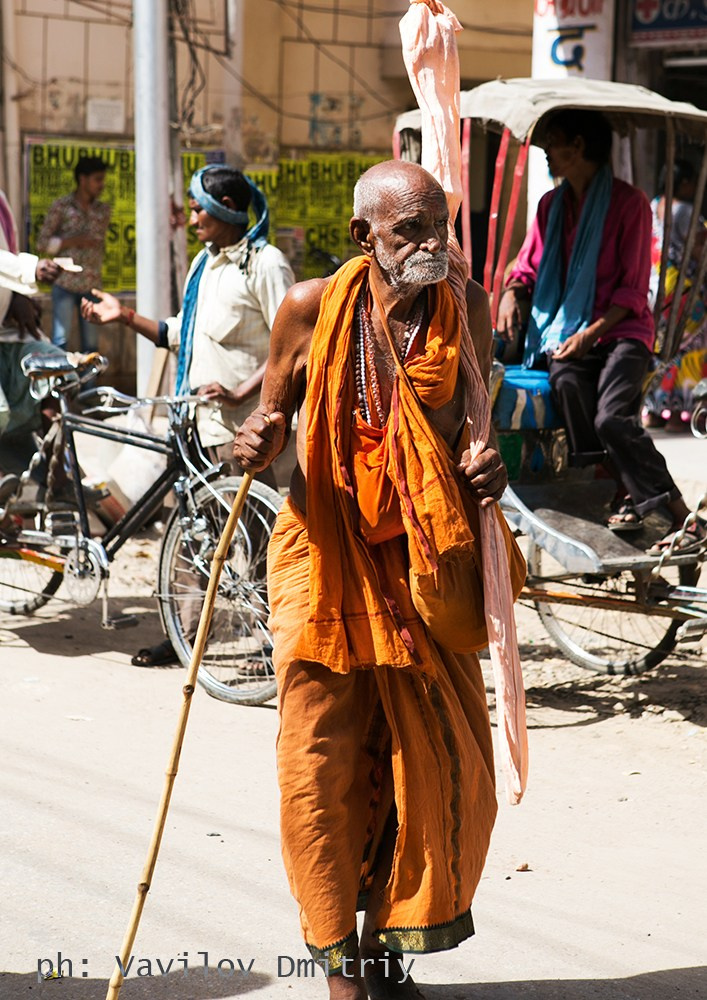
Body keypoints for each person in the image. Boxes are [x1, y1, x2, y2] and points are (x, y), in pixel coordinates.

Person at [234, 159, 526, 1000]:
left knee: (431, 761)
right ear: (364, 237)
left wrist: (485, 464)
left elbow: (477, 421)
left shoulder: (463, 308)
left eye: (440, 227)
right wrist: (251, 441)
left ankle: (384, 944)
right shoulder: (309, 307)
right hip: (322, 558)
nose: (433, 246)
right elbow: (271, 414)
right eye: (411, 232)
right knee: (323, 762)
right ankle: (339, 962)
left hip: (425, 569)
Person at [81, 164, 295, 666]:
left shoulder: (264, 265)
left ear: (227, 210)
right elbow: (184, 333)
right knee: (198, 534)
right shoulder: (206, 264)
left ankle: (276, 646)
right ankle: (186, 637)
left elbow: (295, 345)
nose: (192, 216)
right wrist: (125, 317)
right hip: (199, 425)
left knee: (262, 541)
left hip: (249, 429)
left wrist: (241, 389)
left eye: (200, 207)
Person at [497, 109, 705, 552]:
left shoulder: (629, 204)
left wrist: (588, 335)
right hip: (566, 335)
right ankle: (608, 485)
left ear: (577, 147)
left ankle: (672, 509)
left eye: (553, 143)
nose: (547, 153)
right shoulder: (551, 206)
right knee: (566, 379)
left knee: (612, 417)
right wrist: (511, 291)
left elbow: (632, 292)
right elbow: (527, 265)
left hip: (622, 333)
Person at [0, 187, 64, 517]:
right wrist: (29, 271)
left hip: (6, 329)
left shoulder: (1, 201)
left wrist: (19, 295)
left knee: (58, 372)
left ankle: (55, 474)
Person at [643, 158, 707, 432]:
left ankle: (655, 410)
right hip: (684, 291)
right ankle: (683, 410)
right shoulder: (686, 212)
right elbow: (699, 253)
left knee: (662, 348)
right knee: (691, 347)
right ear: (683, 182)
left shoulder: (652, 205)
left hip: (657, 290)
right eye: (692, 182)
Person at [36, 155, 111, 353]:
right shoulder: (61, 207)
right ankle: (60, 383)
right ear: (82, 179)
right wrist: (73, 241)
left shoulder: (103, 210)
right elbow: (42, 243)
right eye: (97, 179)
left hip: (91, 284)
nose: (101, 185)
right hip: (65, 283)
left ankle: (90, 384)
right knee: (60, 341)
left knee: (91, 346)